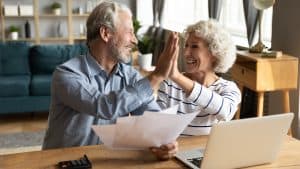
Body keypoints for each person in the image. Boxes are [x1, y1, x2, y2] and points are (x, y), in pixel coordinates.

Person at [42, 1, 179, 160]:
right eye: (130, 32)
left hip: (103, 161)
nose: (135, 40)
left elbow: (152, 120)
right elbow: (104, 106)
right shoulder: (66, 74)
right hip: (62, 162)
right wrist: (155, 77)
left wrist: (165, 141)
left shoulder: (131, 76)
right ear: (105, 33)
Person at [157, 20, 241, 136]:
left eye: (194, 46)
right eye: (186, 45)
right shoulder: (169, 84)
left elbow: (225, 112)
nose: (186, 53)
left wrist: (176, 76)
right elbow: (157, 125)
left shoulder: (228, 88)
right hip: (174, 152)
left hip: (208, 153)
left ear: (214, 53)